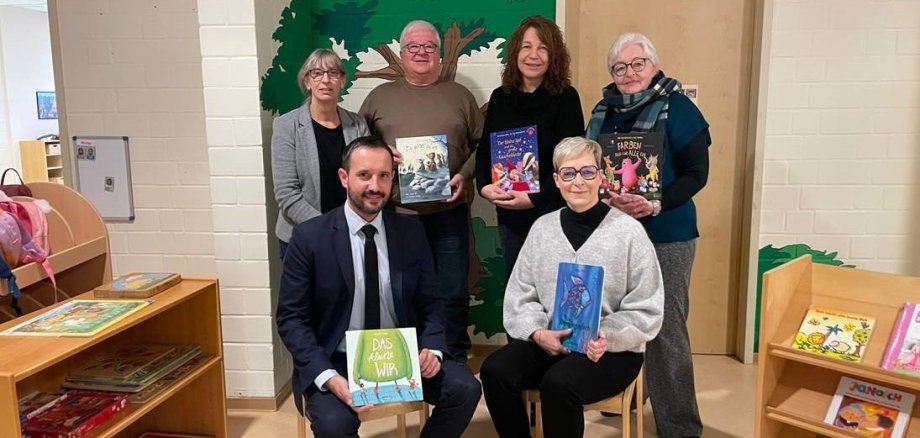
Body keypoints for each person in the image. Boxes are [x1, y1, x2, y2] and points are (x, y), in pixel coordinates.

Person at [276, 136, 481, 438]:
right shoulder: (310, 238)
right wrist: (329, 377)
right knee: (335, 426)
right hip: (338, 361)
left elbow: (432, 302)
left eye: (383, 175)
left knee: (465, 389)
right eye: (364, 175)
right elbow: (291, 319)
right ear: (344, 178)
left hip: (403, 357)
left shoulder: (410, 231)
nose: (375, 186)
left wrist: (433, 348)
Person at [480, 137, 664, 438]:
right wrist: (538, 332)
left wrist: (608, 335)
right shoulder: (542, 229)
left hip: (610, 351)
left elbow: (647, 307)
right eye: (568, 173)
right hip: (551, 339)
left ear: (601, 177)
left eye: (587, 172)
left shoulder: (629, 233)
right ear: (556, 179)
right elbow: (520, 294)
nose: (578, 181)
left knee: (559, 384)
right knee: (495, 370)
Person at [586, 32, 712, 438]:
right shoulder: (602, 111)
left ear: (654, 66)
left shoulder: (678, 108)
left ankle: (680, 426)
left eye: (638, 63)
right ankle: (628, 393)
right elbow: (590, 167)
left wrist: (655, 204)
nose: (629, 73)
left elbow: (697, 174)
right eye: (620, 67)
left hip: (667, 234)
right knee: (618, 319)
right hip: (616, 235)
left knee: (666, 330)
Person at [359, 20, 483, 362]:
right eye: (414, 46)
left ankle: (454, 358)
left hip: (449, 213)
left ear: (440, 56)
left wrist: (466, 175)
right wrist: (385, 157)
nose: (422, 52)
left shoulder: (460, 96)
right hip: (397, 216)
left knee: (454, 292)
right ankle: (408, 362)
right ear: (401, 54)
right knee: (401, 291)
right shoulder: (378, 98)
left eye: (429, 46)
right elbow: (358, 149)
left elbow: (482, 145)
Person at [474, 15, 584, 279]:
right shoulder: (501, 98)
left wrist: (533, 198)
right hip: (510, 215)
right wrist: (484, 187)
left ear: (553, 55)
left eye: (542, 48)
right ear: (515, 52)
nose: (533, 55)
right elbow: (485, 151)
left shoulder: (566, 98)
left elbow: (573, 162)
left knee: (555, 287)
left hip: (553, 214)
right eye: (526, 46)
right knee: (517, 288)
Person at [272, 48, 369, 260]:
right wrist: (329, 228)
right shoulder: (287, 126)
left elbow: (366, 178)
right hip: (301, 237)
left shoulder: (358, 124)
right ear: (307, 82)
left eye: (333, 73)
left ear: (342, 81)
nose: (326, 80)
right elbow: (286, 193)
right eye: (317, 73)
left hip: (350, 233)